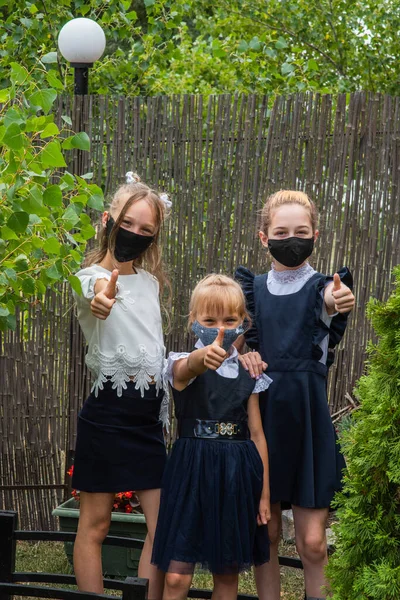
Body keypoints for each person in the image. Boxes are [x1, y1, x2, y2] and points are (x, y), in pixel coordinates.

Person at [235, 190, 355, 600]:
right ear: (264, 237)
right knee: (265, 535)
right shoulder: (251, 291)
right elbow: (231, 340)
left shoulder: (325, 287)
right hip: (261, 423)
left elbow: (333, 300)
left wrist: (339, 299)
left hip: (307, 424)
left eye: (301, 232)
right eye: (282, 232)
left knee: (313, 543)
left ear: (315, 235)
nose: (292, 238)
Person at [71, 172, 171, 599]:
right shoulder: (87, 277)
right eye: (128, 224)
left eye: (146, 230)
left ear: (154, 238)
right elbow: (98, 297)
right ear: (110, 219)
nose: (134, 234)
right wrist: (102, 297)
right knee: (95, 524)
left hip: (148, 421)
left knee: (162, 524)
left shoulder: (150, 285)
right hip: (107, 418)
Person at [151, 274, 271, 600]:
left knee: (227, 574)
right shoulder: (179, 362)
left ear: (243, 323)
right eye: (209, 320)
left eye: (230, 320)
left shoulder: (250, 372)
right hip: (191, 471)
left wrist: (263, 496)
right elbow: (184, 371)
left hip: (236, 474)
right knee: (176, 576)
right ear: (193, 321)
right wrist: (201, 359)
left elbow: (257, 435)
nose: (220, 327)